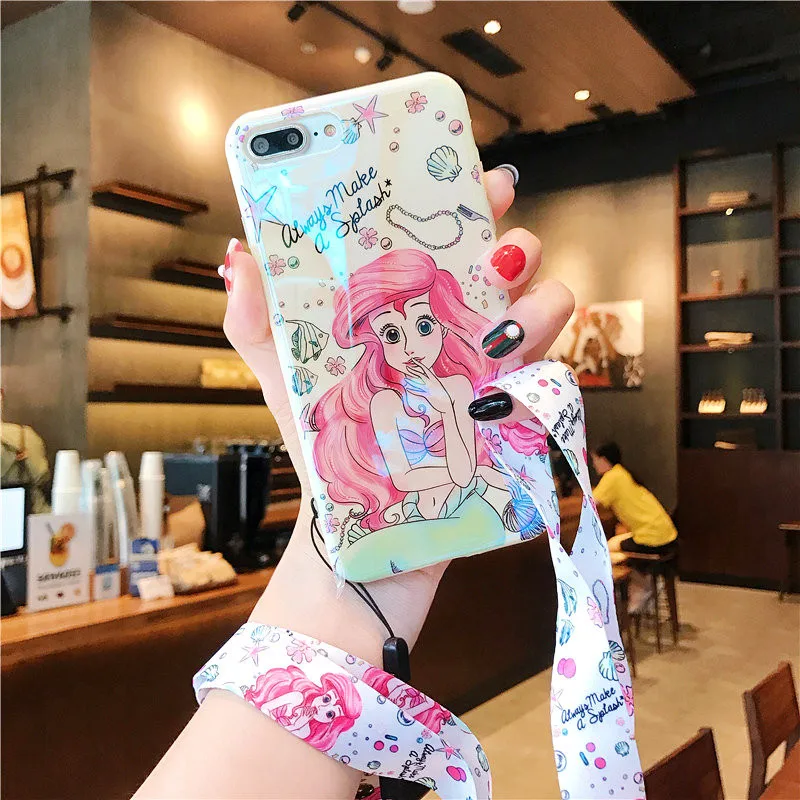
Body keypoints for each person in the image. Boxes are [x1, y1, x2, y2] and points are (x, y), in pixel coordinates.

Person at [133, 166, 576, 800]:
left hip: (443, 509)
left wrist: (454, 429)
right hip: (412, 516)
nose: (411, 344)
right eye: (390, 334)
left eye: (423, 324)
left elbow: (456, 464)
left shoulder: (455, 387)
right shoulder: (386, 405)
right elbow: (427, 470)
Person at [591, 442, 677, 555]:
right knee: (618, 537)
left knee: (608, 548)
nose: (593, 465)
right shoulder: (622, 473)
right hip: (666, 535)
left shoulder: (612, 477)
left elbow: (589, 503)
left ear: (603, 460)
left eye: (595, 460)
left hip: (653, 540)